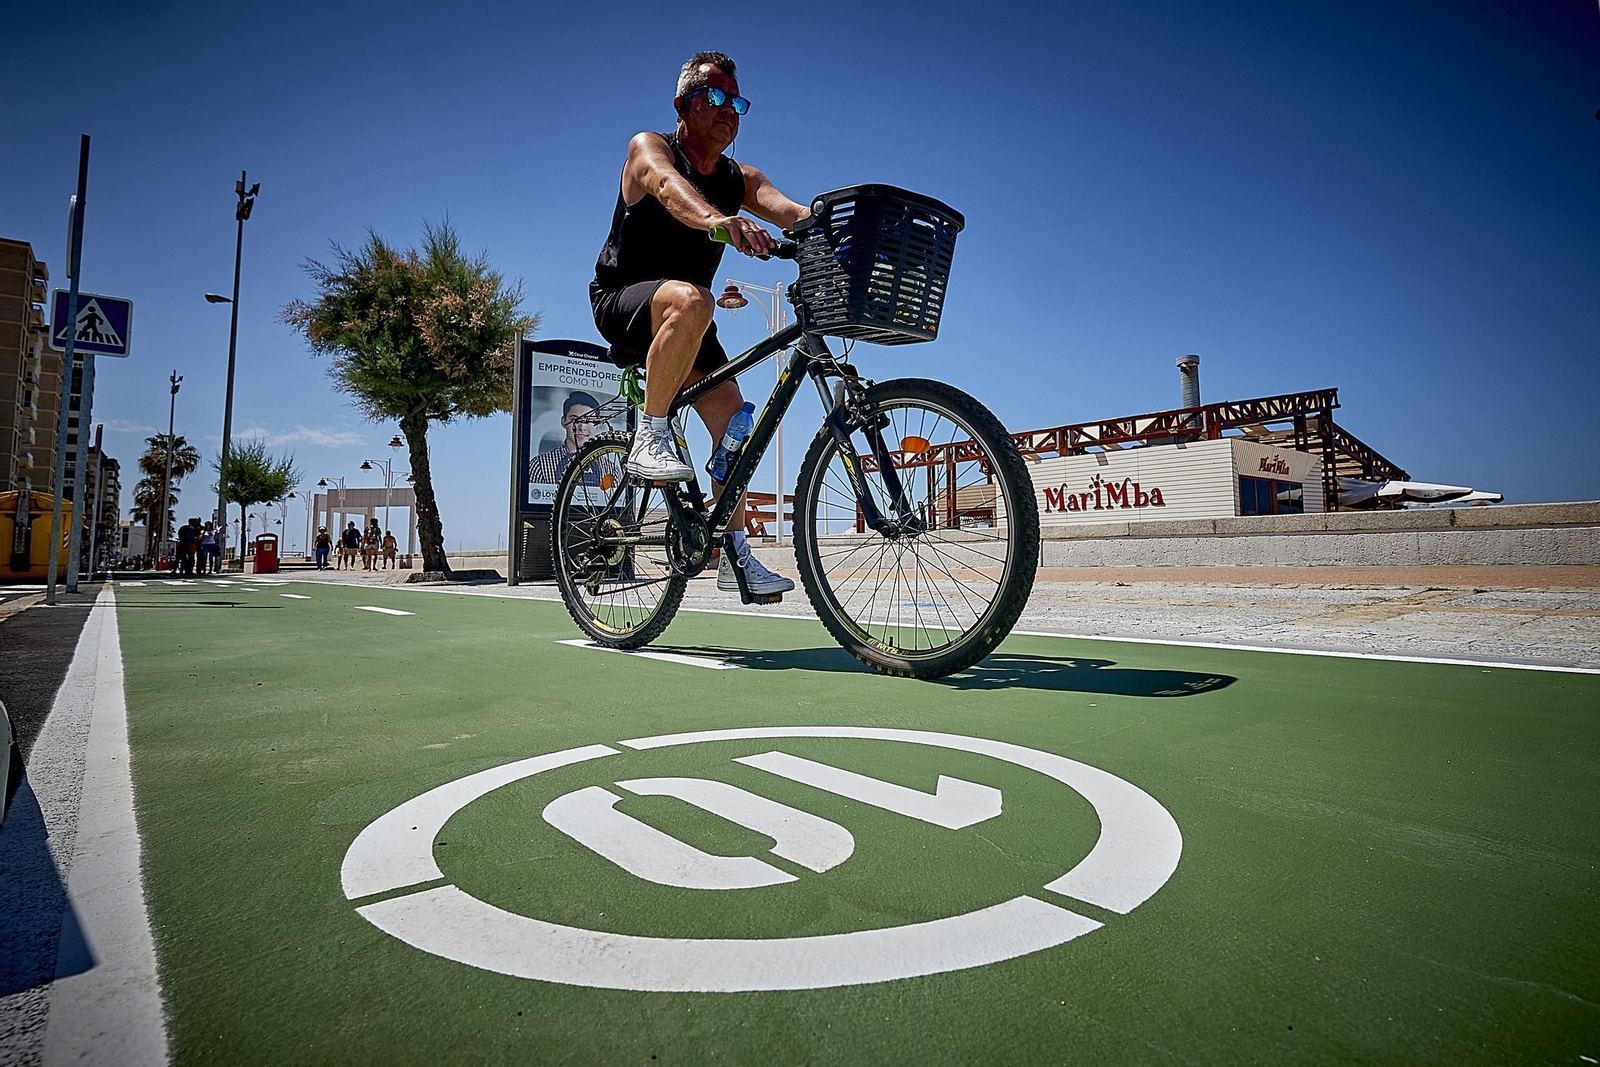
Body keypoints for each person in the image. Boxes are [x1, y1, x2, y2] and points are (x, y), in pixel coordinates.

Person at [589, 50, 803, 596]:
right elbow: (665, 186)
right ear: (683, 104)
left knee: (735, 428)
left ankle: (734, 556)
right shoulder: (649, 148)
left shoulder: (739, 178)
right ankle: (649, 433)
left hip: (692, 316)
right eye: (715, 96)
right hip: (625, 302)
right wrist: (718, 222)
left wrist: (850, 231)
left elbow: (792, 213)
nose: (728, 109)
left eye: (737, 101)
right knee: (692, 298)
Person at [529, 391, 621, 491]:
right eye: (575, 420)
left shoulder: (612, 470)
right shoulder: (540, 466)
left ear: (598, 425)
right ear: (563, 421)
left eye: (589, 420)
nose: (582, 427)